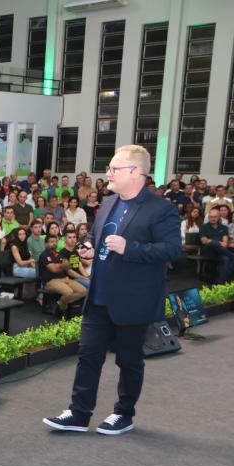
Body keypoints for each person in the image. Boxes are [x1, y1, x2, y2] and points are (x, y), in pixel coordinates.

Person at [45, 146, 183, 435]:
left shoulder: (161, 210)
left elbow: (172, 250)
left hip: (133, 301)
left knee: (129, 361)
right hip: (98, 296)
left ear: (134, 172)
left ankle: (123, 414)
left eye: (113, 169)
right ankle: (79, 413)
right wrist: (89, 246)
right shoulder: (108, 203)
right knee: (88, 356)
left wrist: (129, 247)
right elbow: (97, 234)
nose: (107, 173)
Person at [37, 233, 86, 315]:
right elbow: (54, 269)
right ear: (46, 244)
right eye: (51, 242)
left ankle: (60, 304)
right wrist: (62, 265)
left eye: (55, 241)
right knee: (69, 292)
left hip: (64, 278)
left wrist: (62, 265)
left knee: (83, 291)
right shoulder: (44, 255)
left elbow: (68, 266)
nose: (54, 243)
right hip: (50, 281)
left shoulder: (58, 254)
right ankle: (63, 309)